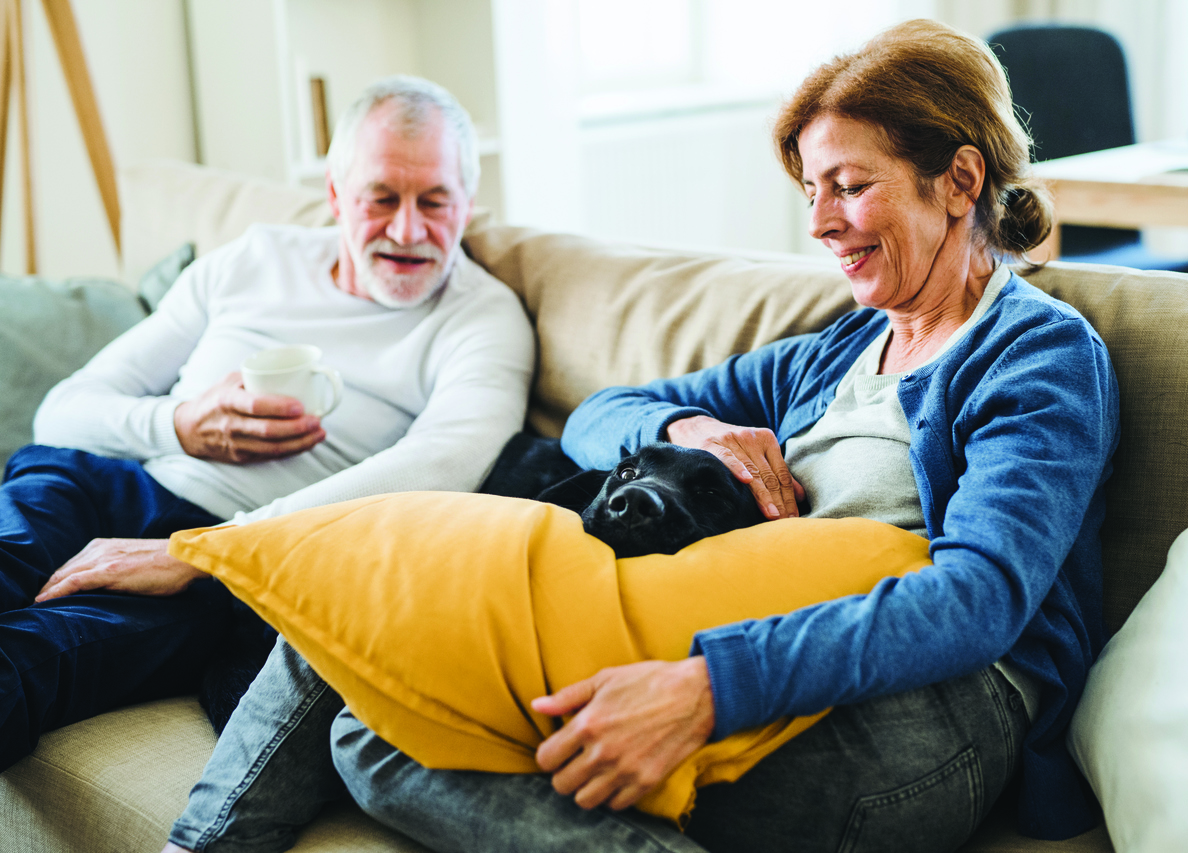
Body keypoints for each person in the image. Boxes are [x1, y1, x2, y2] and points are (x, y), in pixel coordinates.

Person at [162, 18, 1118, 853]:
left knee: (380, 735)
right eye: (813, 190)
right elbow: (599, 415)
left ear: (958, 179)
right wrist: (698, 428)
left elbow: (978, 598)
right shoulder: (839, 349)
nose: (822, 223)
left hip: (933, 716)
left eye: (851, 186)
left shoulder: (1035, 353)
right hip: (748, 640)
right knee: (374, 635)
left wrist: (706, 687)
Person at [0, 75, 535, 771]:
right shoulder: (255, 259)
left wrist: (206, 552)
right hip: (109, 479)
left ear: (467, 201)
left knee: (27, 658)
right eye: (382, 198)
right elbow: (64, 410)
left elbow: (446, 462)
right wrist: (180, 424)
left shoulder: (482, 318)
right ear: (336, 196)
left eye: (434, 201)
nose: (409, 230)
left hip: (235, 564)